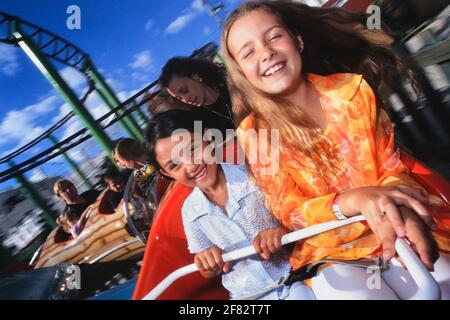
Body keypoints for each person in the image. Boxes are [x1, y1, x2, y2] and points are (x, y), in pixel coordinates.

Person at [221, 0, 450, 299]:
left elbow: (391, 167)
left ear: (297, 41)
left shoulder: (352, 91)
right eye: (248, 52)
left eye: (274, 36)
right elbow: (290, 211)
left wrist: (401, 210)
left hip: (391, 221)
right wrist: (354, 200)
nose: (266, 53)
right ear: (241, 72)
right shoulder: (255, 133)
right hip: (330, 246)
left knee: (441, 279)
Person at [145, 109, 315, 300]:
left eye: (193, 149)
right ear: (167, 174)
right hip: (245, 296)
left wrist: (281, 231)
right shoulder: (190, 212)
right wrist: (207, 262)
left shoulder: (257, 176)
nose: (191, 166)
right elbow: (208, 270)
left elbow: (303, 218)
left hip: (292, 279)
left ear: (209, 138)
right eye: (175, 165)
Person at [159, 57, 235, 137]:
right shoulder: (197, 123)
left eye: (184, 90)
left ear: (195, 76)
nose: (186, 99)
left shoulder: (232, 87)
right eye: (179, 98)